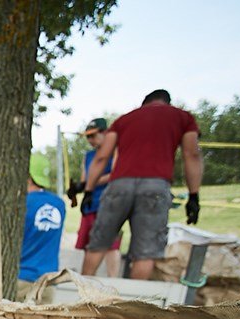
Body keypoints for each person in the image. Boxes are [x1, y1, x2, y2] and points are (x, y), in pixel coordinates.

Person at [81, 89, 202, 280]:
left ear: (144, 103)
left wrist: (88, 190)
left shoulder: (124, 119)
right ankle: (131, 305)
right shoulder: (182, 117)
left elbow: (101, 157)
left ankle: (82, 291)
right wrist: (194, 195)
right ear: (167, 102)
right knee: (145, 251)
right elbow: (192, 155)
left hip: (119, 185)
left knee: (99, 242)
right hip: (155, 186)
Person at [67, 117, 121, 277]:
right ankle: (88, 281)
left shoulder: (116, 151)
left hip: (109, 204)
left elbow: (115, 175)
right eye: (87, 136)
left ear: (105, 133)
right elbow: (86, 178)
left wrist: (91, 183)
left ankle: (114, 280)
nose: (90, 140)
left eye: (93, 135)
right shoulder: (89, 155)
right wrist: (78, 188)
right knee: (89, 244)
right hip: (91, 204)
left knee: (112, 245)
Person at [19, 156, 66, 297]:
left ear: (27, 176)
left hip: (21, 279)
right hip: (48, 283)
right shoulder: (59, 204)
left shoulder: (22, 204)